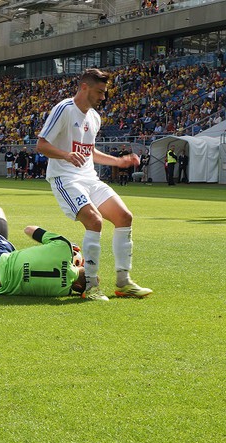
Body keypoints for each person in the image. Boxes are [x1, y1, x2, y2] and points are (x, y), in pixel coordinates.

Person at [36, 68, 151, 301]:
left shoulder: (95, 117)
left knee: (124, 217)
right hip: (65, 178)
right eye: (99, 92)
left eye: (104, 93)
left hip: (89, 178)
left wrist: (118, 161)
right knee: (94, 221)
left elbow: (90, 152)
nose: (103, 97)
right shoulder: (64, 110)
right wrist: (66, 155)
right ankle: (90, 285)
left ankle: (123, 282)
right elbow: (41, 145)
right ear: (84, 87)